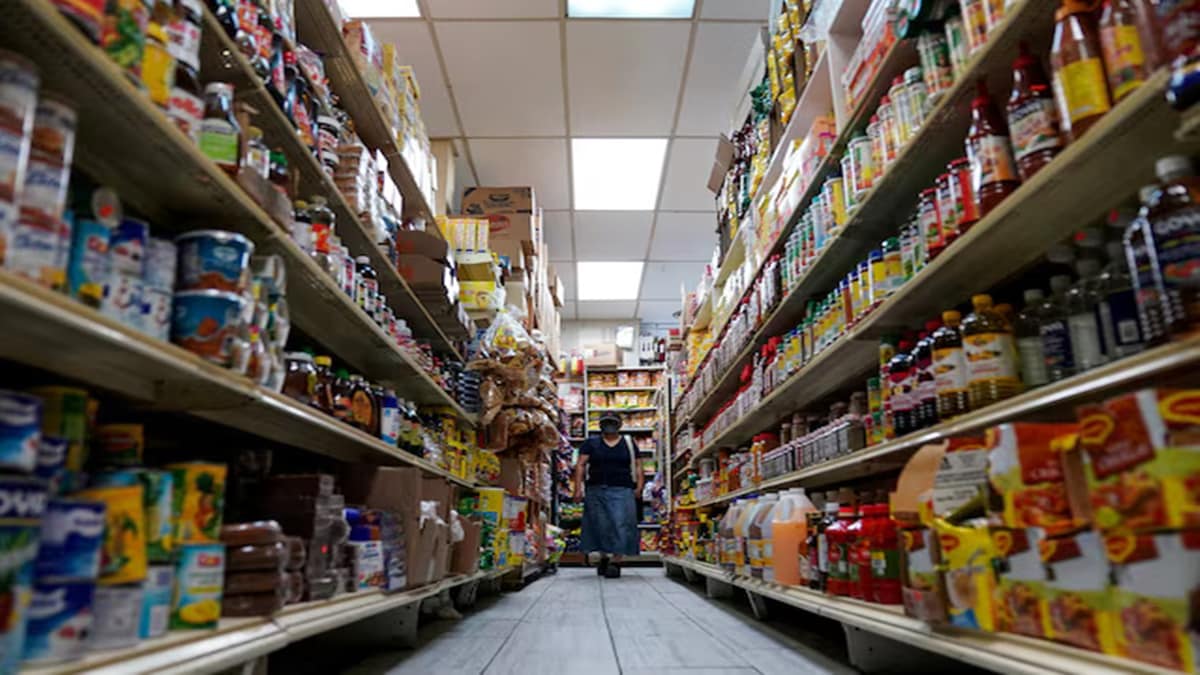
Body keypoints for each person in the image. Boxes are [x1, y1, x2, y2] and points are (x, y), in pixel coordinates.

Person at [573, 413, 642, 578]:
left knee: (620, 523)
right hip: (596, 489)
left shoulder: (629, 443)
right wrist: (578, 488)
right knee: (600, 524)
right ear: (600, 425)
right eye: (606, 422)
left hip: (623, 489)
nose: (609, 426)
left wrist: (639, 486)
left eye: (613, 422)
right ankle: (604, 557)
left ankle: (616, 560)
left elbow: (638, 465)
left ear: (620, 425)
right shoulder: (591, 443)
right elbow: (581, 465)